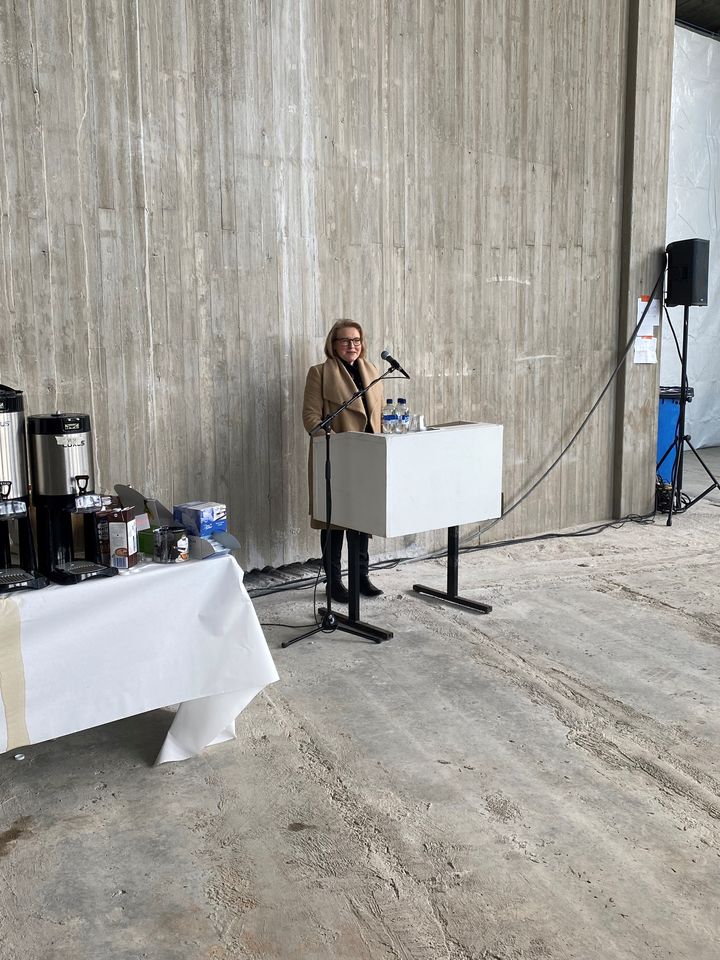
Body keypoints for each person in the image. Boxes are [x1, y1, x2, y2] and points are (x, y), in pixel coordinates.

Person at [302, 319, 384, 603]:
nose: (352, 345)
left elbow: (378, 416)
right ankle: (334, 582)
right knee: (334, 522)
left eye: (357, 340)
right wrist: (334, 441)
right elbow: (310, 418)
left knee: (362, 519)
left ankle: (361, 576)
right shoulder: (320, 373)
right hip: (335, 458)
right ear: (333, 344)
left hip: (368, 458)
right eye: (346, 340)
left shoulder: (373, 371)